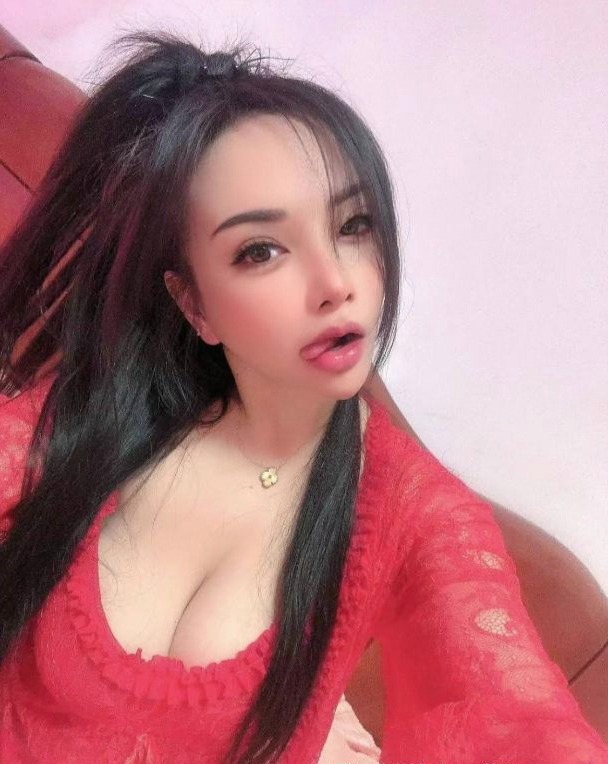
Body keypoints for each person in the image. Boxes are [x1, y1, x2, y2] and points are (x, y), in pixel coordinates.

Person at [0, 28, 606, 764]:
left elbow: (517, 721)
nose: (334, 283)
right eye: (261, 250)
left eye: (352, 226)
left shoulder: (412, 514)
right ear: (195, 305)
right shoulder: (97, 419)